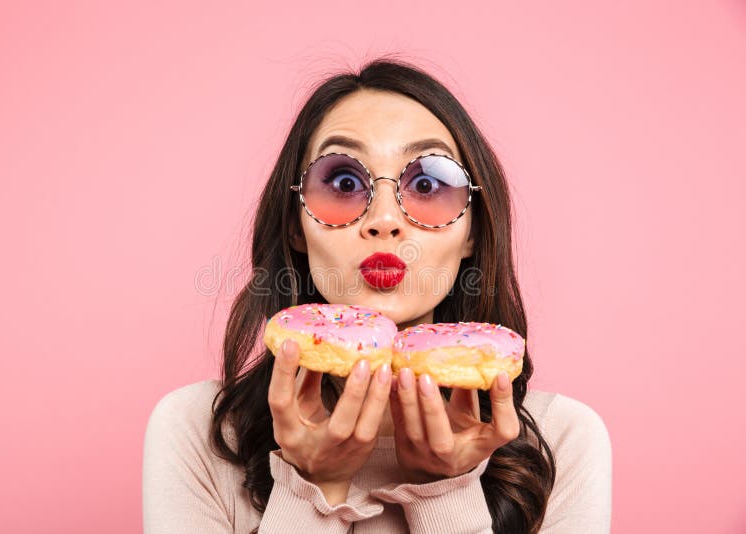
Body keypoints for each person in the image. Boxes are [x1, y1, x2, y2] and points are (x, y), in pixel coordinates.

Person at [142, 58, 612, 533]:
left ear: (473, 231)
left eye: (427, 183)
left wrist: (446, 491)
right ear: (295, 225)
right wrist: (312, 487)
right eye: (344, 182)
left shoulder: (561, 442)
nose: (384, 219)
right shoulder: (196, 433)